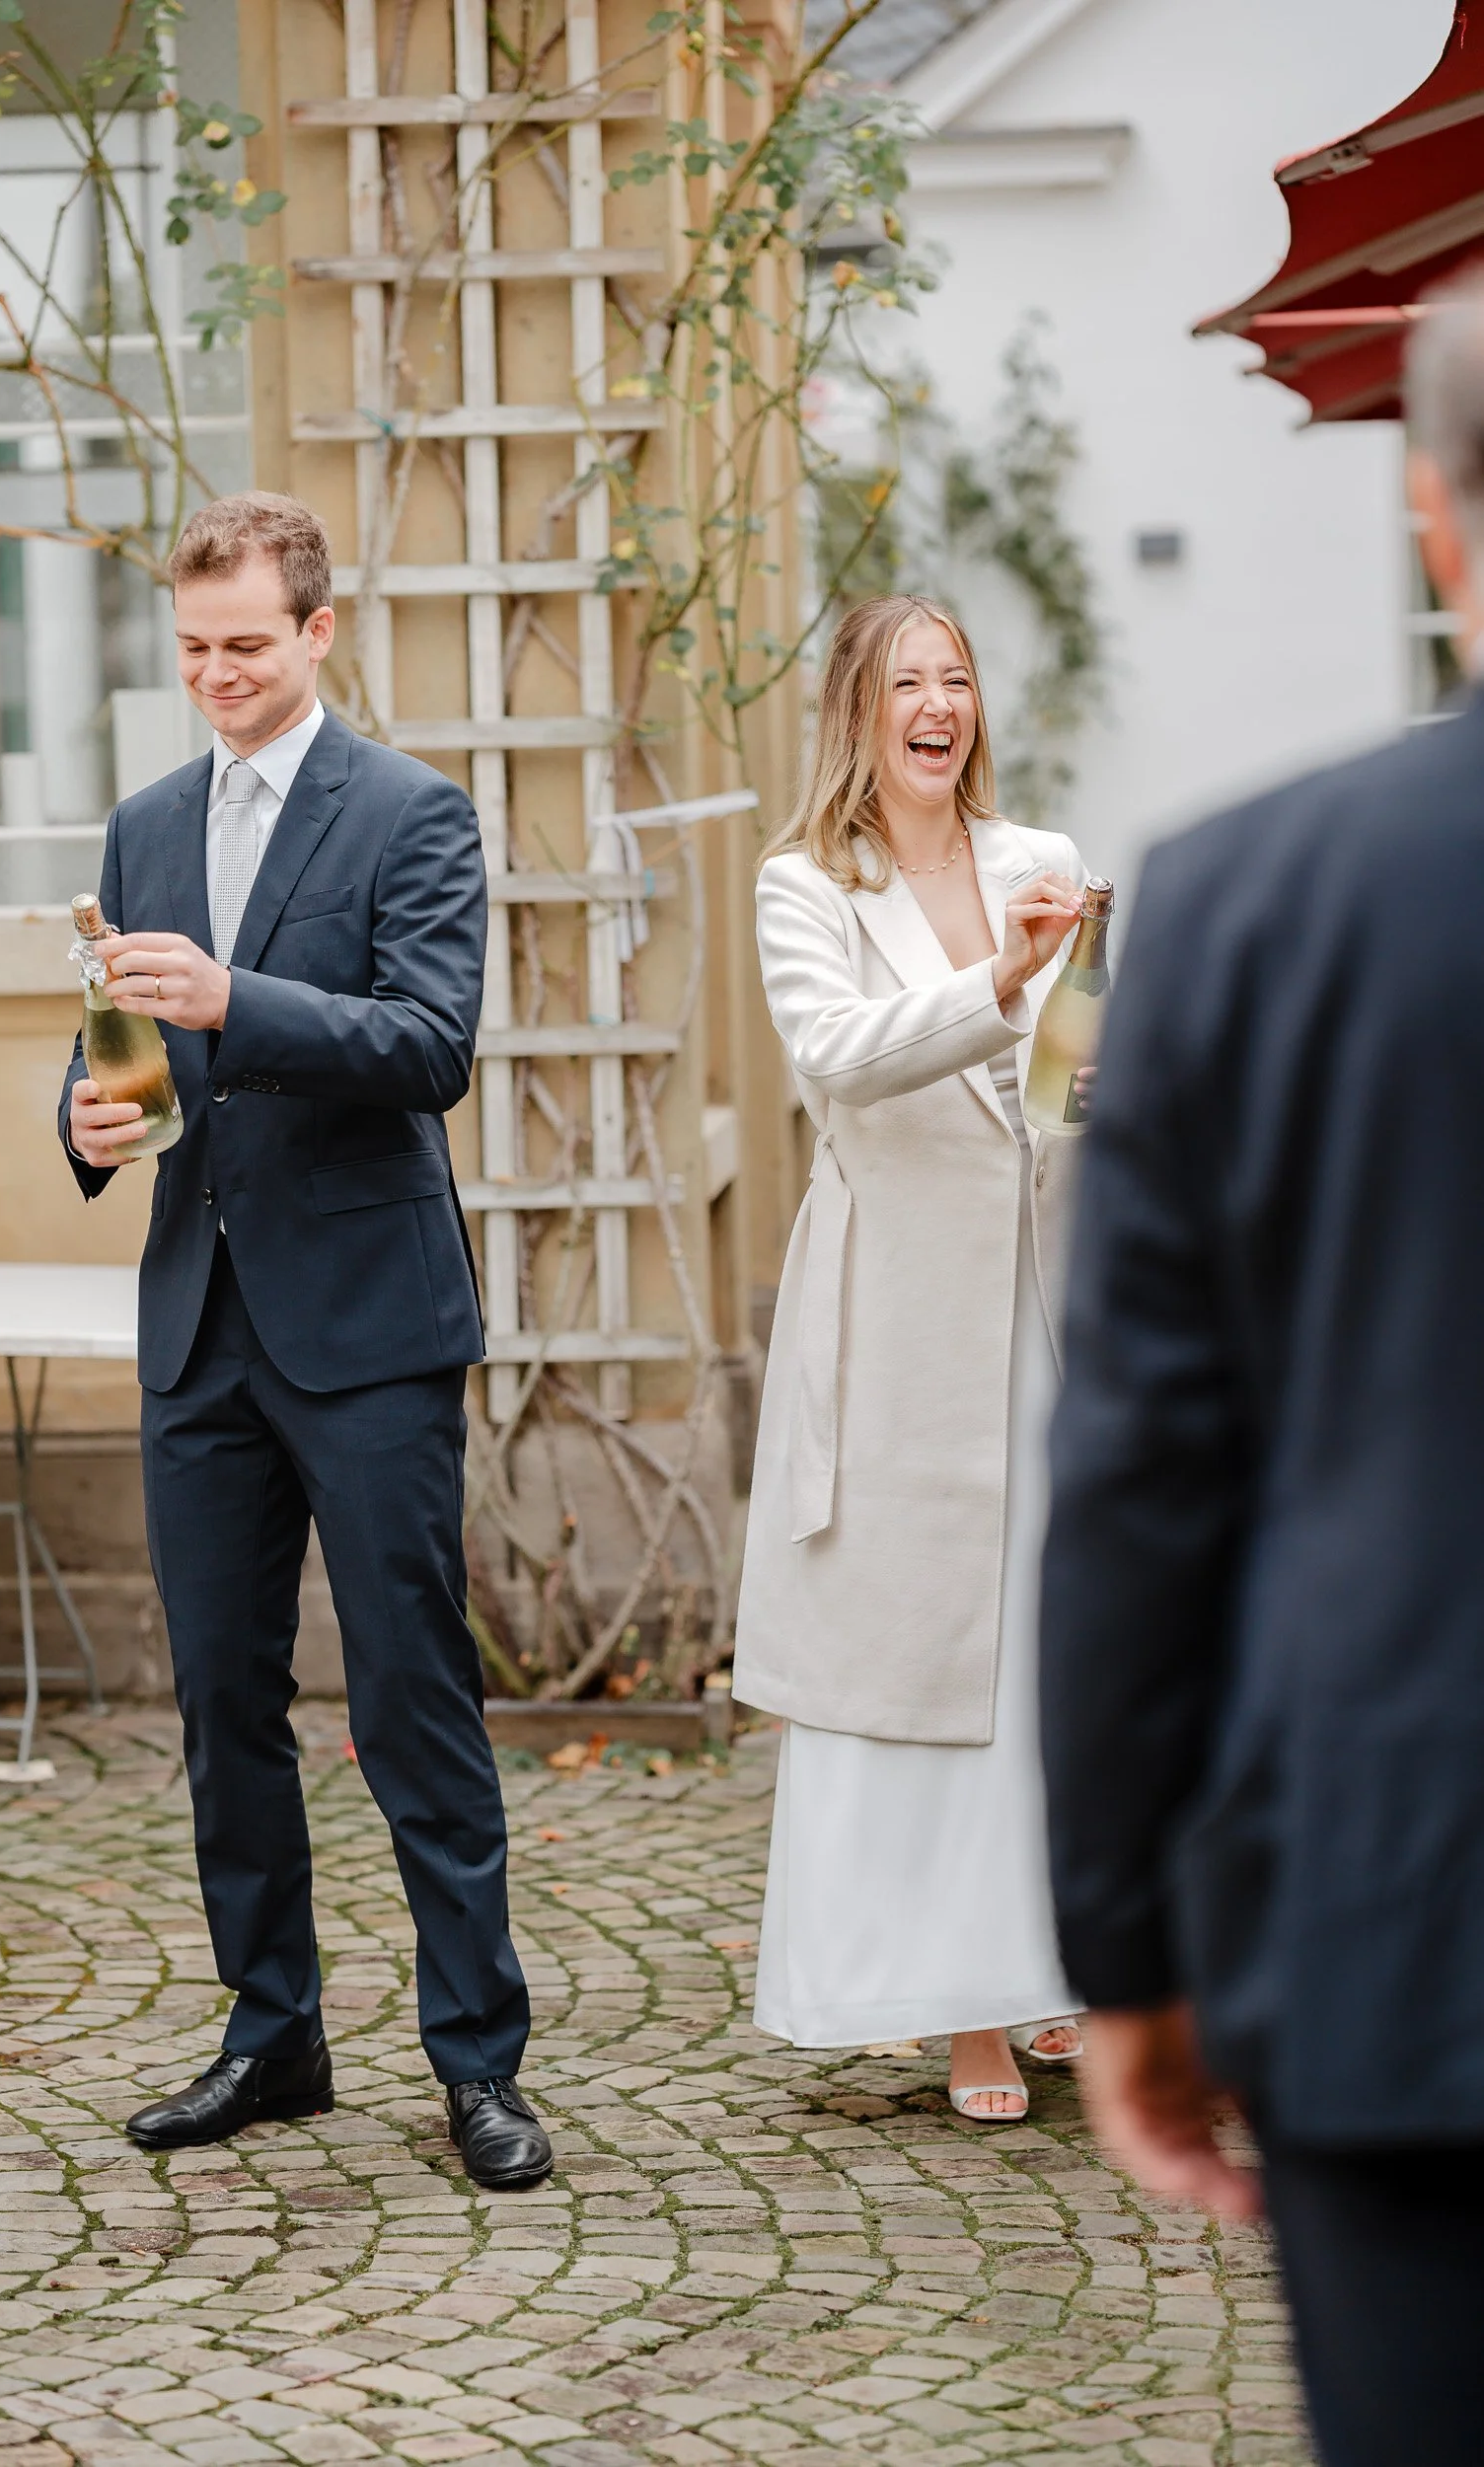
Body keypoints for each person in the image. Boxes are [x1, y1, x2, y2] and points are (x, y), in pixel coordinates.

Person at [1039, 269, 1484, 2466]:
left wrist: (1124, 1950)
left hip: (1408, 1931)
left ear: (1430, 512)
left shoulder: (1240, 910)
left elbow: (1143, 1482)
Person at [59, 489, 551, 2191]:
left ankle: (477, 2061)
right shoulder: (142, 824)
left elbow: (431, 1045)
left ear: (318, 631)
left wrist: (234, 1002)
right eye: (193, 649)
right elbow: (119, 1042)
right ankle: (273, 2035)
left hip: (368, 1330)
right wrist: (90, 1118)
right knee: (221, 1700)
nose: (217, 676)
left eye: (247, 647)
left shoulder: (413, 813)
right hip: (197, 1327)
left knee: (413, 1697)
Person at [733, 594, 1089, 2119]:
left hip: (1047, 1307)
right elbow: (839, 1056)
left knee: (1046, 1649)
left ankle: (1053, 1965)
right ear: (855, 713)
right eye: (904, 683)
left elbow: (1070, 1079)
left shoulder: (1042, 862)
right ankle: (960, 2013)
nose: (936, 705)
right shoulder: (805, 885)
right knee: (922, 1657)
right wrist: (1002, 980)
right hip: (896, 1324)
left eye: (955, 678)